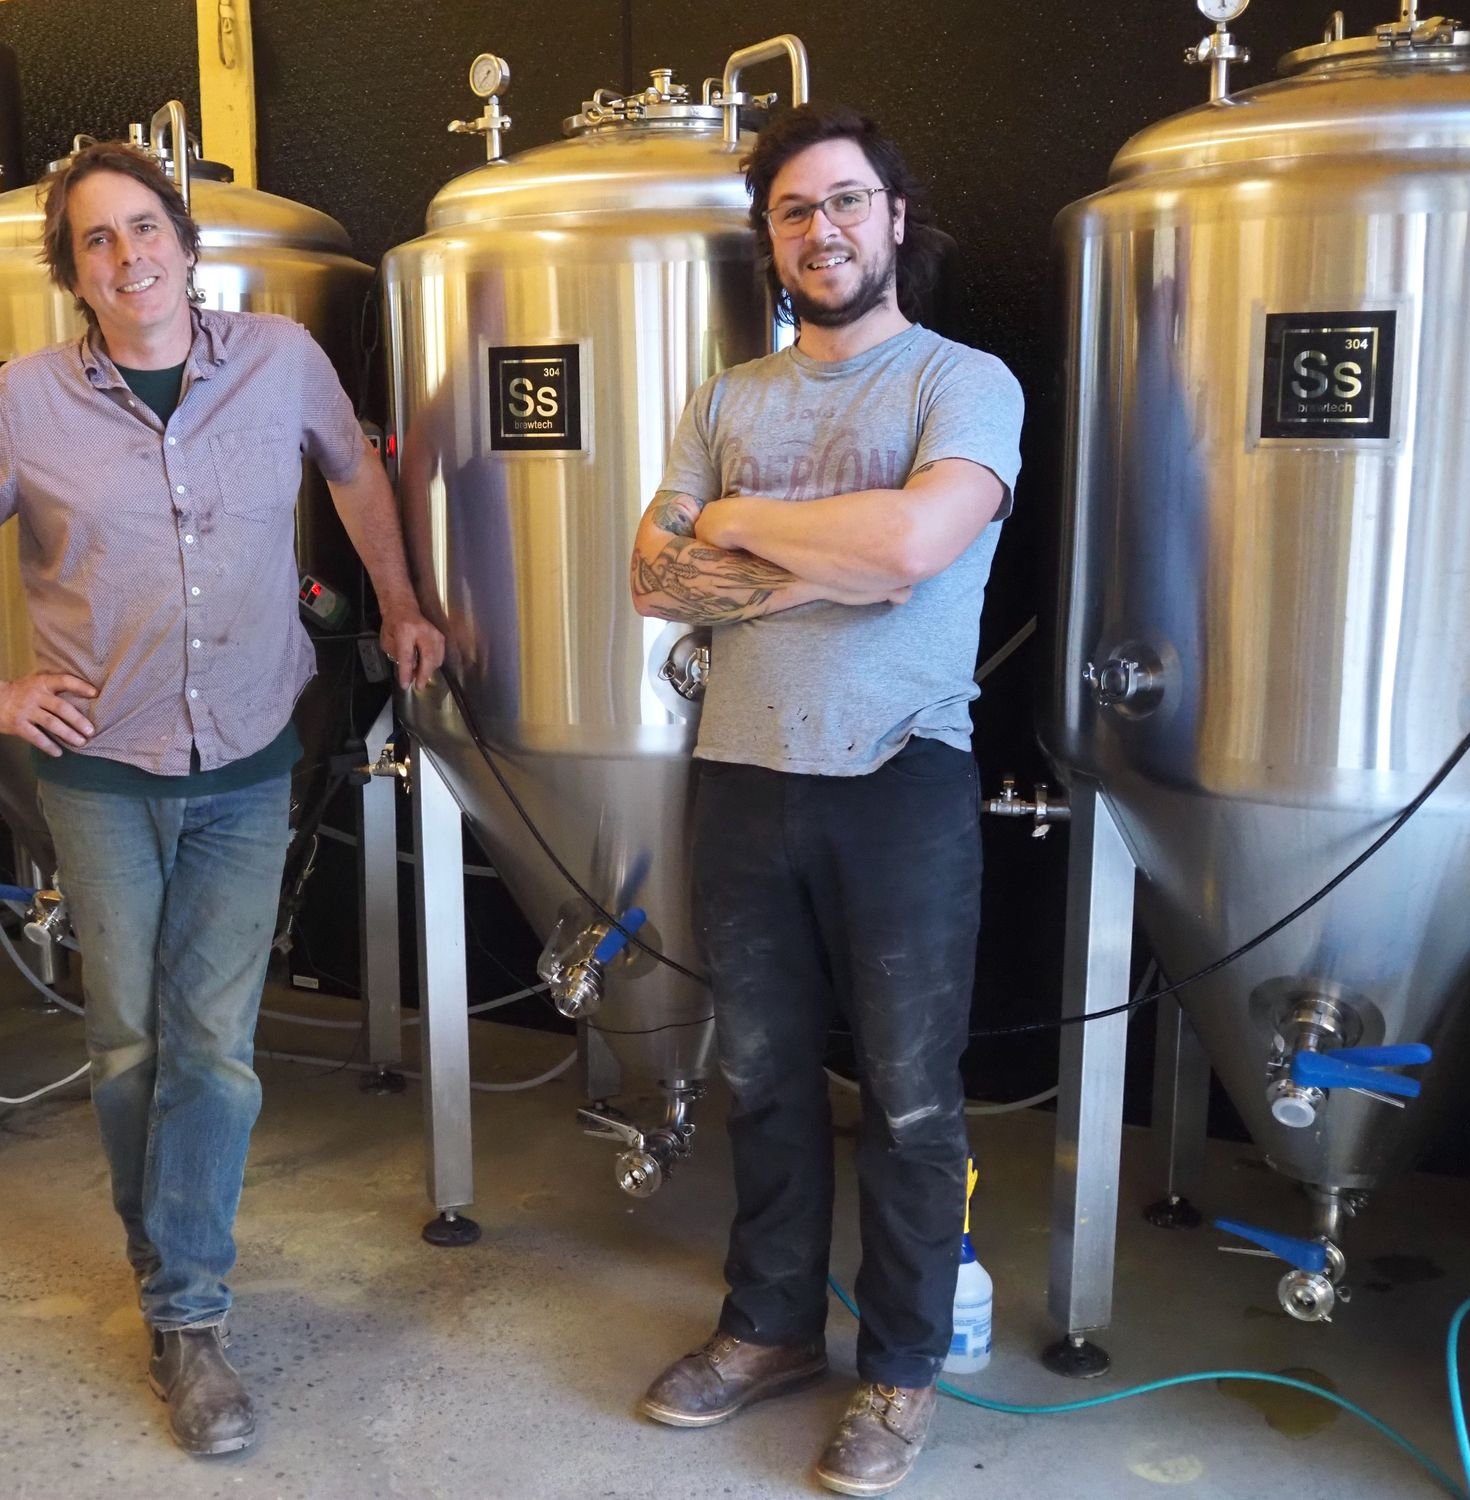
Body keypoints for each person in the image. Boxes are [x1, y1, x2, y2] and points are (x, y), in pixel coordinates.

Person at [0, 140, 443, 1457]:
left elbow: (354, 471)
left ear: (187, 243)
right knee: (130, 1043)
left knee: (217, 1050)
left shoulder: (283, 359)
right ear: (72, 272)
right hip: (101, 766)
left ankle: (189, 1315)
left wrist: (403, 604)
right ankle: (165, 1262)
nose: (129, 258)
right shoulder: (28, 402)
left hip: (248, 755)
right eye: (97, 241)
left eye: (145, 229)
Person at [627, 103, 1023, 1497]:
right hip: (742, 775)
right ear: (771, 240)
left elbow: (919, 540)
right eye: (796, 211)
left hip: (900, 778)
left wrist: (736, 523)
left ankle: (899, 1372)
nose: (824, 230)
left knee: (914, 1104)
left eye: (847, 202)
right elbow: (654, 576)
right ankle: (770, 1329)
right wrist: (824, 558)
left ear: (893, 218)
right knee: (764, 1081)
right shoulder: (725, 399)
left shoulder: (962, 383)